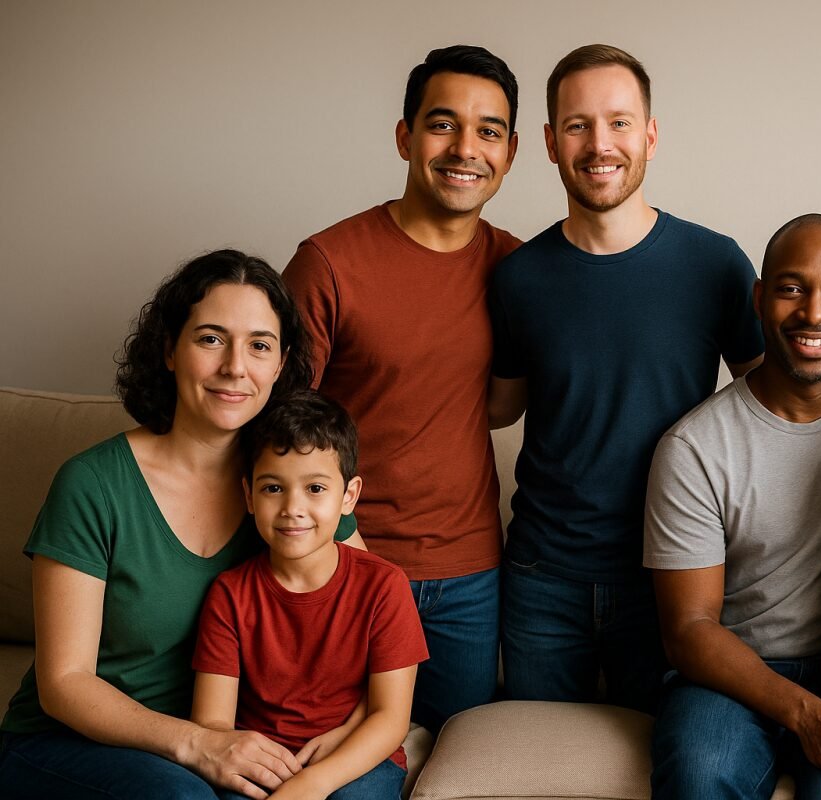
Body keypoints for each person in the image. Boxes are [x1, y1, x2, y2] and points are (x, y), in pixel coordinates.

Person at [0, 250, 360, 799]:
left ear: (281, 365)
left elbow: (371, 611)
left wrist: (350, 732)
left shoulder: (291, 486)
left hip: (226, 743)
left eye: (259, 346)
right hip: (71, 744)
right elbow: (64, 684)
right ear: (169, 349)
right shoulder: (93, 484)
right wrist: (197, 744)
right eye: (211, 339)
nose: (235, 367)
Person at [487, 43, 764, 711]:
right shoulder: (520, 278)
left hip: (671, 574)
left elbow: (773, 405)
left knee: (657, 765)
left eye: (618, 121)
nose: (599, 143)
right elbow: (499, 409)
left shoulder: (716, 265)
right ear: (552, 143)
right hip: (542, 577)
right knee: (535, 767)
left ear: (651, 134)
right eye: (578, 125)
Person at [282, 45, 521, 732]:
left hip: (469, 575)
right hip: (346, 560)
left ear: (509, 154)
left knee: (460, 755)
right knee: (341, 754)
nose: (465, 148)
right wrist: (343, 537)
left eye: (488, 131)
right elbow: (280, 428)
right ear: (405, 136)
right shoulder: (329, 262)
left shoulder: (515, 266)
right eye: (443, 124)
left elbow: (502, 405)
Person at [644, 214, 821, 799]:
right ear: (760, 298)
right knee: (699, 769)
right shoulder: (694, 447)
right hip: (736, 672)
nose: (815, 313)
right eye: (791, 289)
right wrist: (808, 715)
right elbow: (688, 629)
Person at [192, 390, 426, 800]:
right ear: (249, 496)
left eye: (315, 488)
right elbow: (212, 724)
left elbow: (390, 718)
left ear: (348, 496)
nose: (292, 508)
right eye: (272, 489)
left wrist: (311, 785)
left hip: (356, 759)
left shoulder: (384, 586)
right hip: (261, 764)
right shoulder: (229, 595)